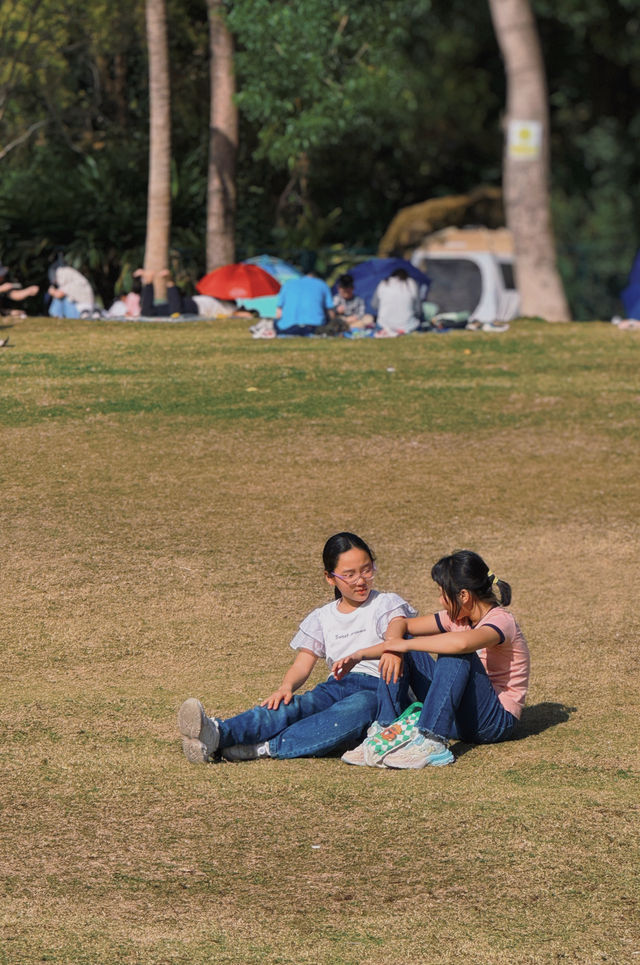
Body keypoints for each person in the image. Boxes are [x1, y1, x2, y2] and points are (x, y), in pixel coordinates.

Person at [177, 532, 417, 763]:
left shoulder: (386, 602)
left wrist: (392, 648)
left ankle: (263, 748)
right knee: (292, 706)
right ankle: (218, 732)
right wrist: (286, 687)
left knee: (361, 705)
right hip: (336, 686)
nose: (361, 580)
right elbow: (303, 663)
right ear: (330, 577)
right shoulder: (323, 617)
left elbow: (397, 624)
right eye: (350, 575)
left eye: (366, 570)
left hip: (381, 689)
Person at [334, 550, 530, 769]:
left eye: (442, 593)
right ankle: (385, 731)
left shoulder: (502, 621)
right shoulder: (458, 616)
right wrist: (382, 649)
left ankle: (432, 740)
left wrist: (402, 644)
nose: (439, 601)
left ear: (463, 595)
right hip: (458, 715)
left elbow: (462, 644)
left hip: (494, 721)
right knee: (406, 643)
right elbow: (403, 624)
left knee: (453, 648)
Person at [134, 269, 254, 318]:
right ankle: (170, 282)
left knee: (147, 313)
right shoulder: (231, 308)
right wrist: (248, 314)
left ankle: (148, 282)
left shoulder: (229, 309)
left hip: (196, 304)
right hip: (197, 306)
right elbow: (242, 314)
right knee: (176, 313)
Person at [273, 270, 334, 336]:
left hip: (288, 328)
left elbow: (278, 314)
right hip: (314, 327)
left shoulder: (288, 283)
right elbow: (330, 311)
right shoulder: (322, 284)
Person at [371, 267, 423, 337]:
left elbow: (374, 305)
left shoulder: (383, 283)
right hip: (409, 326)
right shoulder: (412, 283)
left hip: (384, 325)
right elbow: (418, 310)